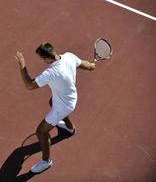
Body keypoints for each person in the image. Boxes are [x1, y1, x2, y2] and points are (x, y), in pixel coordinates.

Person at [14, 42, 96, 174]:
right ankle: (69, 128)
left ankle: (46, 161)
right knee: (52, 101)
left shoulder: (51, 72)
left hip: (63, 107)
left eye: (42, 59)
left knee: (41, 132)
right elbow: (87, 66)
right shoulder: (69, 56)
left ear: (46, 58)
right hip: (71, 98)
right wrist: (92, 65)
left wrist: (22, 66)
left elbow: (29, 85)